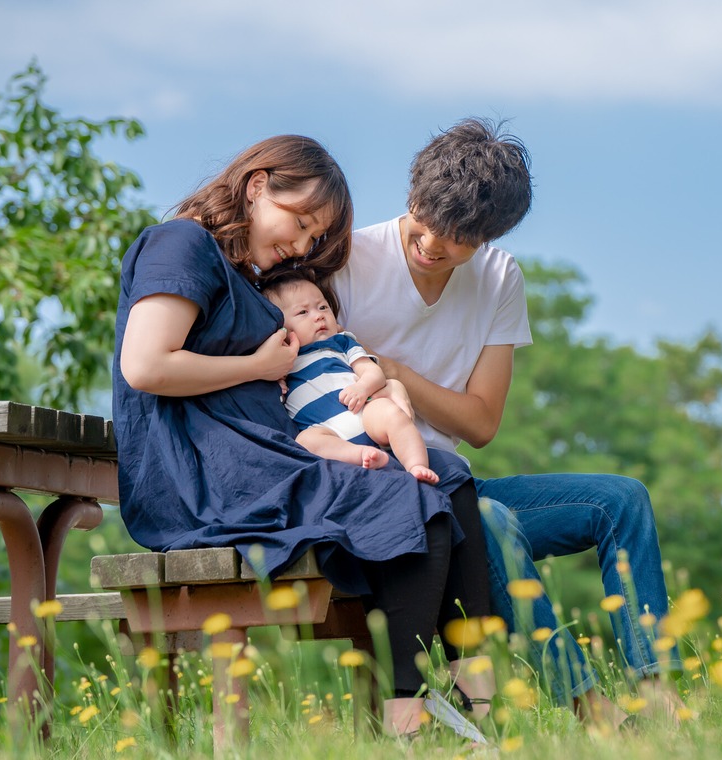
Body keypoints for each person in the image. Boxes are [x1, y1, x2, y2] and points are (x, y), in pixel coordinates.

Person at [112, 135, 490, 737]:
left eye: (315, 238)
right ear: (258, 185)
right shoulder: (181, 244)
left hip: (261, 457)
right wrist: (259, 368)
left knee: (446, 471)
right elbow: (145, 366)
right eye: (301, 222)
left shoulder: (239, 274)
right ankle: (407, 715)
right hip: (208, 476)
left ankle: (475, 695)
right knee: (406, 494)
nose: (302, 243)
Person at [330, 118, 683, 722]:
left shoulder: (499, 277)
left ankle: (656, 693)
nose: (435, 243)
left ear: (490, 237)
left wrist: (396, 370)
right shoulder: (348, 263)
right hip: (379, 493)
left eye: (461, 236)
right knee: (487, 516)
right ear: (413, 193)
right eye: (428, 218)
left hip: (457, 485)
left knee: (622, 500)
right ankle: (589, 705)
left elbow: (481, 423)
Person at [263, 271, 439, 484]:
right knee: (306, 441)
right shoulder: (284, 360)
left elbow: (373, 372)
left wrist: (363, 387)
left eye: (322, 307)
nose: (318, 315)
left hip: (365, 414)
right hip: (328, 433)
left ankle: (416, 465)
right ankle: (360, 455)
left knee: (390, 412)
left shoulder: (341, 343)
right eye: (302, 312)